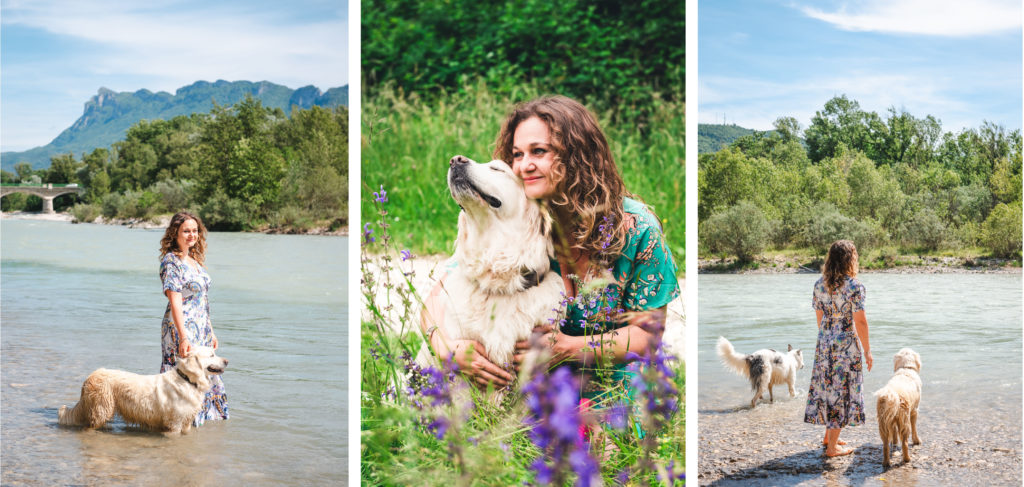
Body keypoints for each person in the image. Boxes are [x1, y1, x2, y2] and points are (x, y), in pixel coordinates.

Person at [420, 95, 679, 396]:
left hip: (613, 378)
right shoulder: (516, 218)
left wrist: (569, 348)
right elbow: (437, 298)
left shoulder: (637, 228)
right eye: (517, 155)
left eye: (538, 152)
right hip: (542, 389)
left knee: (610, 437)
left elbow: (649, 334)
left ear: (577, 155)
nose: (524, 165)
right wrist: (445, 347)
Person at [804, 239, 873, 457]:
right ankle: (832, 448)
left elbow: (819, 317)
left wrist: (828, 337)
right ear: (850, 259)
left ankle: (828, 438)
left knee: (828, 388)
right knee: (841, 392)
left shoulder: (818, 284)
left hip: (824, 342)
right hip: (846, 344)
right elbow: (860, 321)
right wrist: (867, 351)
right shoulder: (854, 286)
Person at [159, 211, 228, 425]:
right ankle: (173, 428)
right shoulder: (172, 261)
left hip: (201, 329)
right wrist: (183, 336)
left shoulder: (194, 260)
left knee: (203, 377)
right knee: (182, 378)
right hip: (182, 328)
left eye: (195, 231)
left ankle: (195, 428)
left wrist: (211, 330)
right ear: (175, 234)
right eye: (186, 231)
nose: (192, 235)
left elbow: (202, 301)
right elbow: (175, 301)